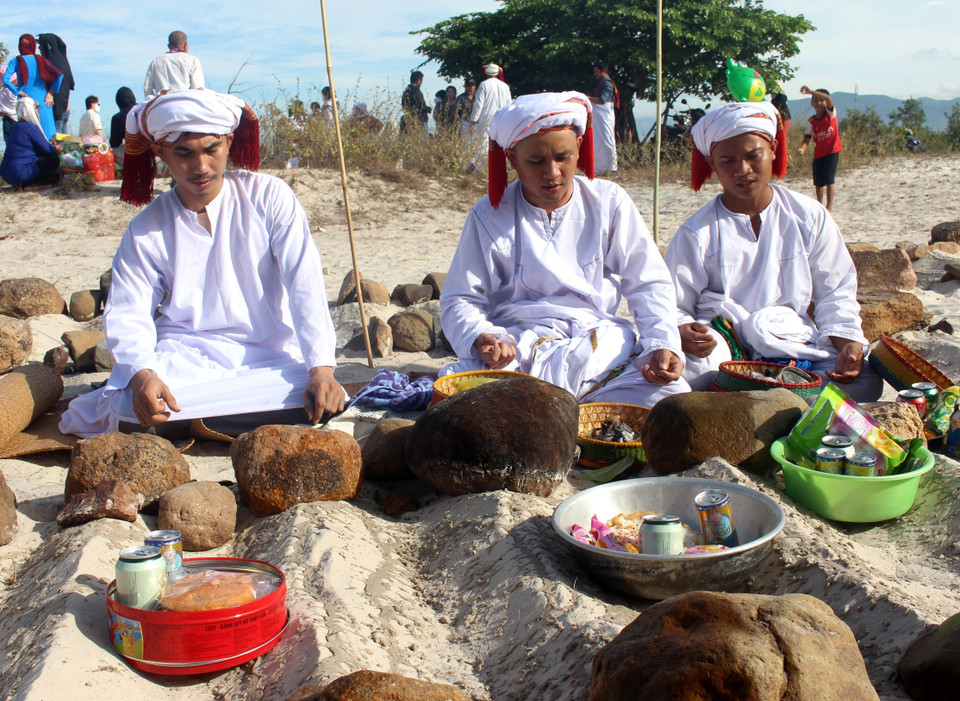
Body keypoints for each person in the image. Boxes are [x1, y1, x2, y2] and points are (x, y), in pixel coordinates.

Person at [59, 89, 345, 437]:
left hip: (269, 356)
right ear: (160, 152)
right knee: (127, 407)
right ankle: (218, 416)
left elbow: (306, 285)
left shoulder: (269, 197)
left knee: (321, 392)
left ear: (228, 142)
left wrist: (321, 370)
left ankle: (194, 421)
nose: (201, 167)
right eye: (184, 154)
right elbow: (128, 311)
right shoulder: (146, 227)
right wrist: (143, 375)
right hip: (185, 358)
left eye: (212, 150)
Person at [440, 92, 689, 407]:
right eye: (536, 161)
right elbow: (461, 298)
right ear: (512, 159)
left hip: (596, 343)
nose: (552, 172)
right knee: (455, 387)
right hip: (518, 348)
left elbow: (648, 282)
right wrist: (482, 336)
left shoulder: (609, 202)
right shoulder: (489, 214)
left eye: (563, 157)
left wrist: (661, 343)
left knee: (670, 396)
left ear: (580, 148)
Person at [664, 102, 881, 402]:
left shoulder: (808, 216)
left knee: (867, 379)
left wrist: (848, 343)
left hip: (791, 340)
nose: (742, 170)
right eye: (727, 161)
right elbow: (671, 303)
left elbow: (836, 291)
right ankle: (790, 399)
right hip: (725, 346)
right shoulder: (696, 232)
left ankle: (759, 398)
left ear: (774, 149)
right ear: (711, 164)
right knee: (688, 373)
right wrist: (683, 330)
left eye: (754, 156)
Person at [2, 34, 63, 140]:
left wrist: (18, 92)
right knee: (48, 138)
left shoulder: (15, 61)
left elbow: (5, 80)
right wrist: (50, 93)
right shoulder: (41, 60)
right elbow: (59, 75)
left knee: (28, 138)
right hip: (43, 101)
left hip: (25, 103)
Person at [796, 86, 841, 211]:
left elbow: (828, 98)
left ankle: (829, 207)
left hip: (832, 151)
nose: (819, 103)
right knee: (818, 181)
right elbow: (807, 137)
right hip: (819, 154)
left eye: (821, 100)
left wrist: (810, 91)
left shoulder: (831, 114)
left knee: (829, 180)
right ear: (811, 103)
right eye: (815, 100)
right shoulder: (811, 121)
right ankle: (820, 205)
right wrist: (802, 148)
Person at [0, 97, 62, 188]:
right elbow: (48, 150)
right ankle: (34, 184)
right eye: (37, 111)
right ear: (30, 112)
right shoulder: (30, 127)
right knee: (54, 158)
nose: (38, 114)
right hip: (22, 172)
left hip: (8, 175)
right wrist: (56, 148)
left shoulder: (16, 127)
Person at [468, 63, 511, 165]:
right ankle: (500, 165)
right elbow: (509, 105)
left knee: (484, 144)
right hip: (502, 120)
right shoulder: (505, 86)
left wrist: (473, 121)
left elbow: (479, 105)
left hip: (487, 119)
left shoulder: (483, 85)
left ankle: (484, 167)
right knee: (501, 144)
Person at [143, 31, 205, 98]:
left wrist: (154, 103)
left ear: (169, 46)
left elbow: (147, 88)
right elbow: (198, 89)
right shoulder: (192, 60)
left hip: (161, 103)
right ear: (186, 45)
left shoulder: (156, 61)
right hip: (185, 103)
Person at [38, 33, 74, 134]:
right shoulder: (63, 62)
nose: (39, 48)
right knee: (64, 144)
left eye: (41, 45)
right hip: (64, 108)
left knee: (56, 143)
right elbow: (69, 85)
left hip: (55, 110)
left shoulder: (51, 65)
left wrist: (50, 93)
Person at [588, 61, 619, 173]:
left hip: (604, 115)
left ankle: (611, 167)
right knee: (600, 139)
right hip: (600, 116)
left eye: (597, 71)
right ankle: (601, 166)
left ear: (603, 71)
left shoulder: (607, 84)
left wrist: (587, 98)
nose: (595, 74)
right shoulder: (602, 82)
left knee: (607, 138)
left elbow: (602, 100)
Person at [110, 87, 137, 165]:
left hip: (136, 153)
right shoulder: (143, 108)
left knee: (110, 152)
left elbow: (114, 143)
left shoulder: (117, 117)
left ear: (118, 102)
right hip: (153, 150)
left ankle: (133, 166)